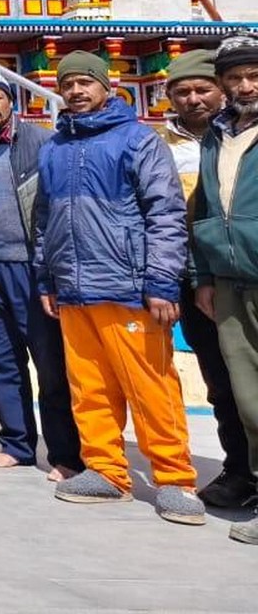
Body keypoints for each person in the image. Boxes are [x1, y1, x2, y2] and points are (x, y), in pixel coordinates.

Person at [35, 51, 204, 525]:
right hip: (72, 287)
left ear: (108, 86)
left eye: (85, 82)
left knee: (150, 386)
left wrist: (162, 282)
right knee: (89, 388)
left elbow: (166, 215)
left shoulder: (138, 141)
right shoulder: (55, 148)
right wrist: (46, 277)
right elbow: (44, 220)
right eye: (68, 84)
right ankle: (107, 470)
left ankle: (175, 478)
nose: (76, 91)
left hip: (127, 285)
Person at [0, 60, 81, 480]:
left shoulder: (41, 142)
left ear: (10, 102)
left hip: (34, 269)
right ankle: (16, 444)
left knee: (51, 365)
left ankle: (66, 454)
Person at [161, 49, 253, 509]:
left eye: (202, 89)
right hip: (196, 277)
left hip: (246, 273)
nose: (194, 98)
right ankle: (239, 470)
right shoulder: (159, 144)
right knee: (221, 380)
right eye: (183, 91)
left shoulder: (237, 136)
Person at [191, 35, 258, 544]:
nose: (244, 85)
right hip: (230, 281)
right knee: (247, 398)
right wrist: (205, 278)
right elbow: (207, 212)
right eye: (234, 77)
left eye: (253, 75)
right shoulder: (218, 135)